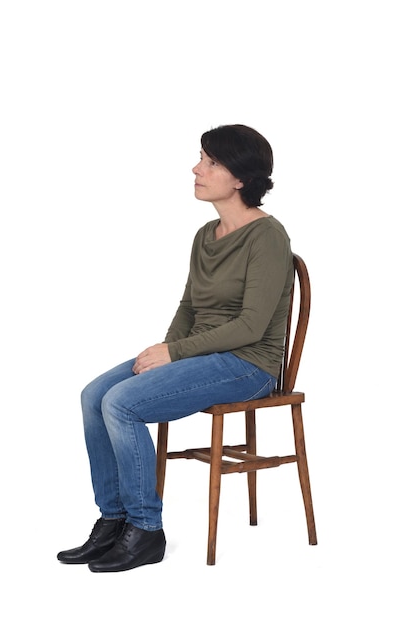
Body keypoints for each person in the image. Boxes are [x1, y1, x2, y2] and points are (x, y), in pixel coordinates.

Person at [57, 124, 294, 572]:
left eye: (211, 162)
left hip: (248, 364)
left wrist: (175, 354)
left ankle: (146, 531)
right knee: (94, 395)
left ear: (240, 178)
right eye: (200, 158)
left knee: (122, 403)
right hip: (200, 354)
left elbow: (251, 326)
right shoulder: (207, 234)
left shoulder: (267, 237)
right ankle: (114, 520)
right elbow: (189, 305)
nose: (196, 169)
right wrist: (167, 347)